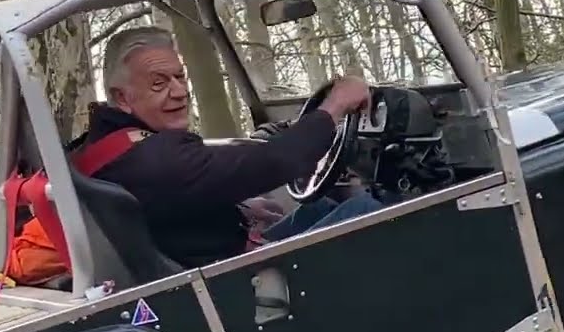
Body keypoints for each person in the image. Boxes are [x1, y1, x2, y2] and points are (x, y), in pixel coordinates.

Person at [80, 24, 384, 268]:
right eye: (159, 83)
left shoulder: (108, 146)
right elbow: (281, 159)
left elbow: (171, 198)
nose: (180, 92)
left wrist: (237, 207)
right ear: (121, 98)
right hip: (236, 280)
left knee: (315, 206)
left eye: (180, 77)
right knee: (370, 209)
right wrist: (335, 107)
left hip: (210, 255)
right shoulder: (157, 159)